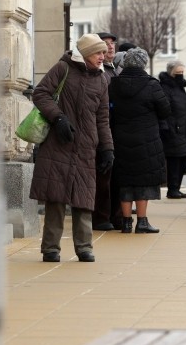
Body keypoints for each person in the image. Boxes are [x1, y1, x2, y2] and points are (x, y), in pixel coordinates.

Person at [29, 33, 114, 262]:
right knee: (56, 198)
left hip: (86, 145)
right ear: (86, 54)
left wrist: (108, 148)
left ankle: (84, 247)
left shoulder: (102, 79)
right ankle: (50, 248)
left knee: (84, 197)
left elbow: (103, 118)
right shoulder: (62, 69)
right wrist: (58, 118)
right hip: (59, 141)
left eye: (104, 53)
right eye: (98, 52)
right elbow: (41, 93)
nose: (102, 57)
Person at [108, 48, 171, 233]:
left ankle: (126, 223)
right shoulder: (152, 85)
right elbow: (165, 110)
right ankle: (142, 222)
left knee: (125, 180)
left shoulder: (113, 85)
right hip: (147, 140)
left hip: (120, 138)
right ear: (143, 63)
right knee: (143, 181)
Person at [92, 31, 119, 231]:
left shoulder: (113, 70)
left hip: (113, 130)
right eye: (105, 44)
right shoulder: (98, 71)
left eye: (112, 44)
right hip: (100, 130)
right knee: (102, 177)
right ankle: (101, 217)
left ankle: (113, 215)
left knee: (113, 177)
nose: (110, 47)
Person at [158, 59, 186, 199]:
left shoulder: (180, 87)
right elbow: (164, 109)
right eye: (178, 72)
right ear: (171, 72)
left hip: (184, 129)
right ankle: (172, 189)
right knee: (174, 160)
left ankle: (176, 188)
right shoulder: (165, 87)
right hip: (173, 129)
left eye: (182, 72)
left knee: (183, 159)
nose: (181, 75)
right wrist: (167, 127)